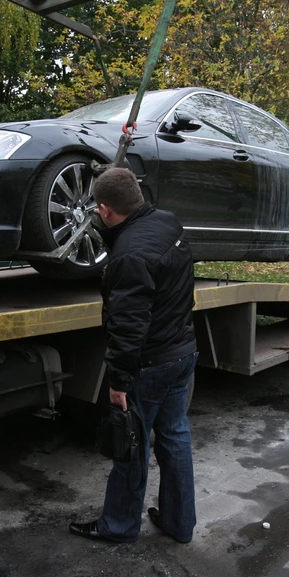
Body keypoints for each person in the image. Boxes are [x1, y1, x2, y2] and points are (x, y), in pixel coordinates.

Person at [69, 166, 198, 544]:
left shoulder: (128, 256)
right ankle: (179, 523)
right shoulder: (168, 222)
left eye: (97, 208)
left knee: (131, 445)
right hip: (183, 351)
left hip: (150, 364)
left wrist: (119, 383)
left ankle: (119, 526)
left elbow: (129, 327)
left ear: (106, 209)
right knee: (175, 438)